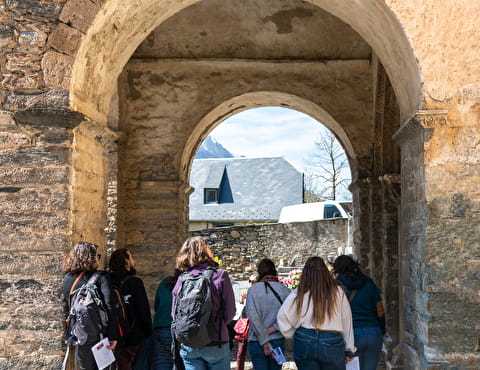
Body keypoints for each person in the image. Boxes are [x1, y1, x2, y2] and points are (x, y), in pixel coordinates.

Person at [277, 256, 355, 370]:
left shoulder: (300, 292)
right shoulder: (338, 292)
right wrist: (349, 348)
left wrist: (291, 333)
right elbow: (347, 321)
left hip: (305, 338)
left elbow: (282, 315)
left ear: (306, 273)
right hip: (331, 340)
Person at [172, 236, 236, 370]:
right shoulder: (220, 275)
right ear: (206, 251)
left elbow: (174, 314)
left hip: (189, 343)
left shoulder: (182, 279)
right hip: (215, 341)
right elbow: (230, 313)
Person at [62, 242, 118, 370]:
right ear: (91, 258)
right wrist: (113, 335)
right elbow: (109, 306)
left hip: (78, 333)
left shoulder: (68, 278)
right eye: (97, 255)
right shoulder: (101, 276)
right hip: (99, 334)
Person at [333, 255, 386, 370]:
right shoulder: (369, 283)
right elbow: (380, 310)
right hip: (373, 333)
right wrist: (382, 329)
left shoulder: (337, 286)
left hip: (350, 335)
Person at [109, 248, 153, 369]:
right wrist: (149, 332)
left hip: (115, 337)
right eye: (131, 258)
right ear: (126, 261)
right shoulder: (134, 282)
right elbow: (144, 311)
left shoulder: (107, 282)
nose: (134, 261)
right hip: (135, 337)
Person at [246, 259, 291, 370]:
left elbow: (253, 317)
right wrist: (274, 328)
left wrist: (264, 340)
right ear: (274, 271)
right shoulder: (285, 291)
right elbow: (291, 317)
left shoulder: (253, 290)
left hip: (257, 341)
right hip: (276, 339)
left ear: (259, 272)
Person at [151, 269, 181, 369]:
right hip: (181, 330)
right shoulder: (190, 284)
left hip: (161, 329)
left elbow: (157, 305)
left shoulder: (164, 283)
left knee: (162, 364)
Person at [236, 274, 257, 370]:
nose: (251, 283)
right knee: (241, 351)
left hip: (255, 327)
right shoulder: (246, 293)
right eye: (250, 281)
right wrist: (242, 300)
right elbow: (241, 310)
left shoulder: (259, 294)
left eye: (254, 281)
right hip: (245, 327)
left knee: (256, 352)